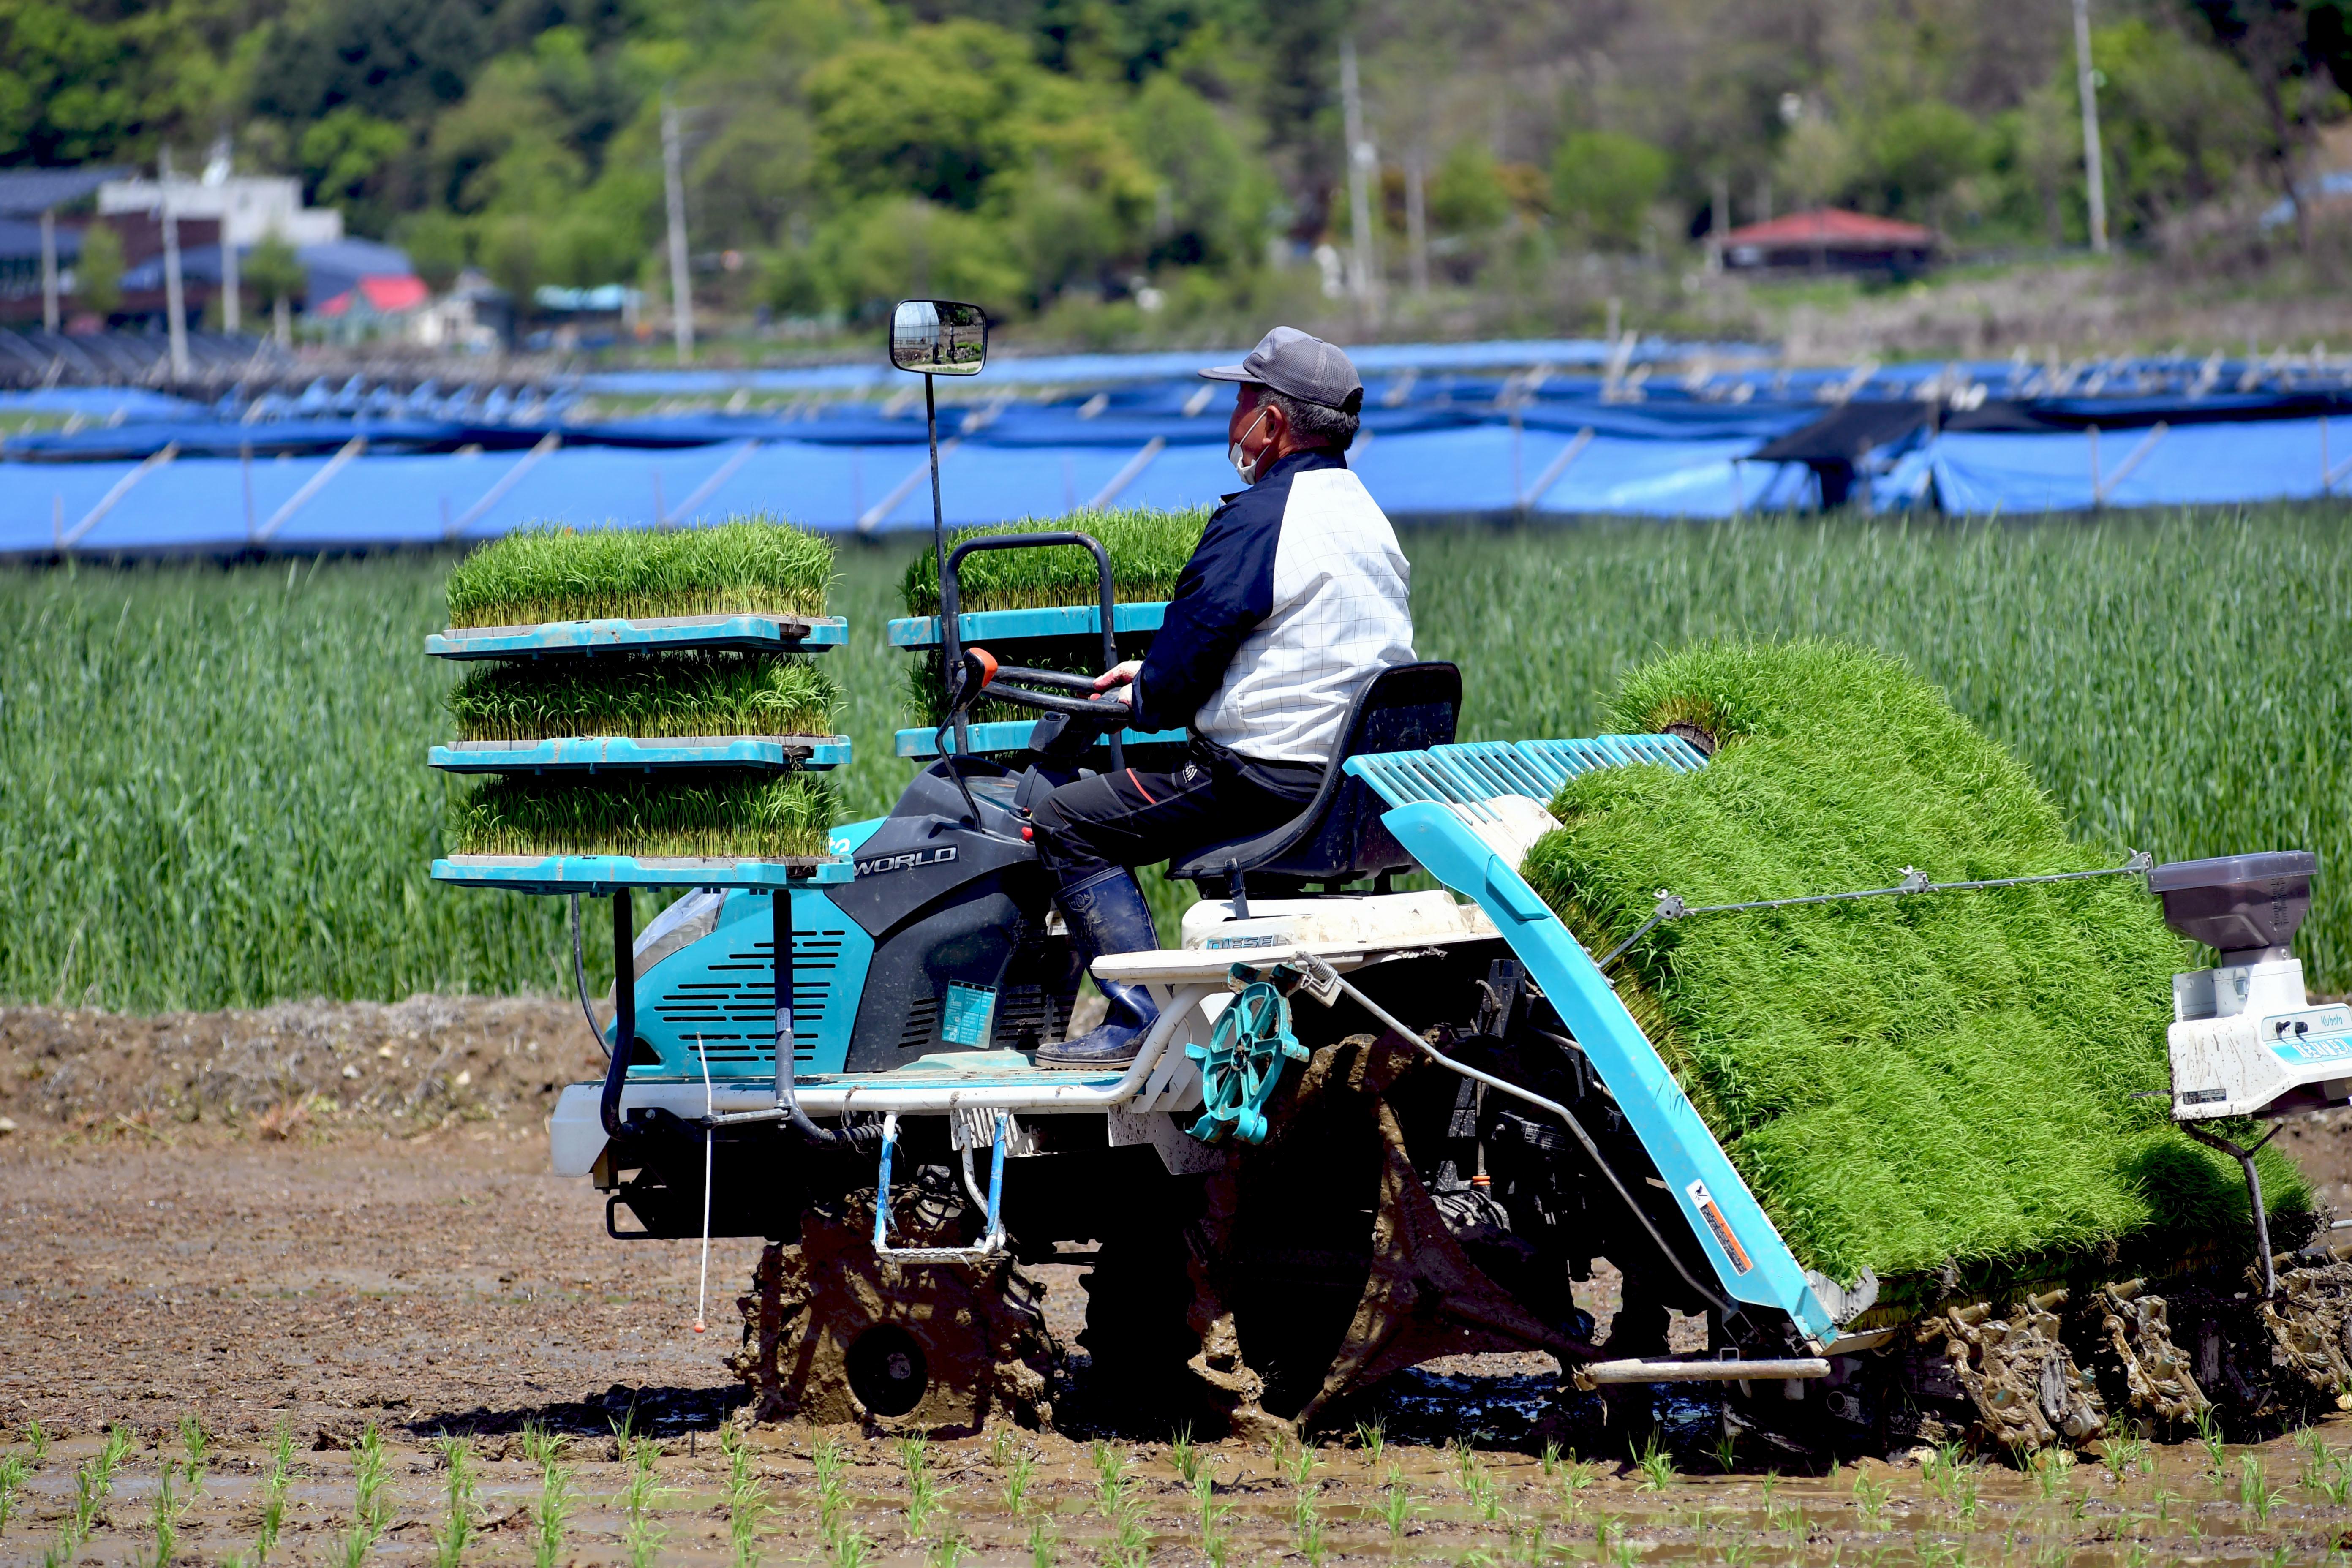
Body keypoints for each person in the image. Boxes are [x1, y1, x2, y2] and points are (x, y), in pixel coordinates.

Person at [1029, 326, 1416, 1068]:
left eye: (1240, 398)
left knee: (1066, 822)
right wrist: (1155, 675)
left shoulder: (1256, 522)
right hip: (1355, 786)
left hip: (1265, 782)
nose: (1231, 414)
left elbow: (1172, 693)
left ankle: (1137, 1019)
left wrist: (1145, 689)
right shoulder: (1368, 516)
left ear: (1271, 424)